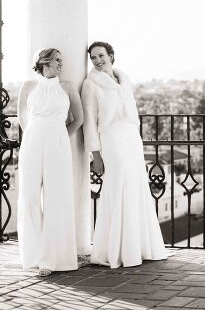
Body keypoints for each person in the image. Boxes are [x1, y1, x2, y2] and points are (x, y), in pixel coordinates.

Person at [82, 41, 168, 268]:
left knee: (135, 188)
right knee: (117, 187)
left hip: (131, 139)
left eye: (101, 55)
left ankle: (137, 247)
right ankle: (115, 250)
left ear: (111, 55)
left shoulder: (124, 80)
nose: (97, 61)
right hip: (111, 139)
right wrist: (96, 156)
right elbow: (90, 122)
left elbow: (132, 114)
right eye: (93, 58)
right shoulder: (91, 85)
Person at [17, 48, 86, 276]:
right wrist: (35, 137)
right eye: (57, 60)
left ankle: (53, 257)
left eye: (61, 60)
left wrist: (59, 135)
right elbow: (22, 117)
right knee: (29, 196)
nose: (60, 64)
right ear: (43, 61)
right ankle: (34, 254)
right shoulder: (28, 86)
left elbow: (79, 119)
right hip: (32, 141)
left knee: (57, 196)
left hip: (58, 142)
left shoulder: (66, 87)